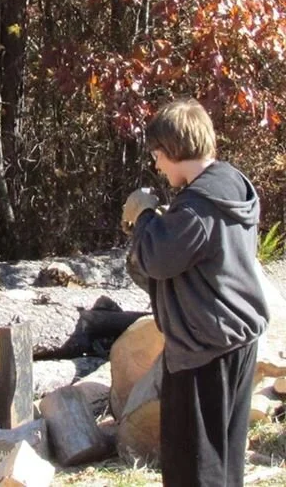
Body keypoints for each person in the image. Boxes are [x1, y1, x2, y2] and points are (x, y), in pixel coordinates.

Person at [122, 98, 269, 486]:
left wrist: (144, 215)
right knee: (224, 460)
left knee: (195, 469)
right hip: (236, 341)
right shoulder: (231, 184)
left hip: (205, 350)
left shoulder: (198, 206)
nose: (157, 164)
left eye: (157, 155)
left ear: (173, 149)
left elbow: (157, 260)